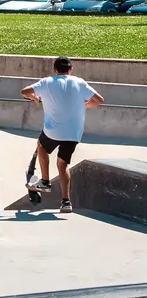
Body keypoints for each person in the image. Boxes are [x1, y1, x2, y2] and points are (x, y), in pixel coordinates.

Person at [21, 57, 104, 212]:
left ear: (55, 70)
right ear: (70, 70)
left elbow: (24, 91)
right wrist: (83, 106)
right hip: (74, 132)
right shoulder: (79, 82)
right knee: (63, 164)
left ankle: (45, 181)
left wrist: (35, 98)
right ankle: (66, 202)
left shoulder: (47, 82)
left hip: (53, 131)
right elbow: (99, 100)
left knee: (41, 146)